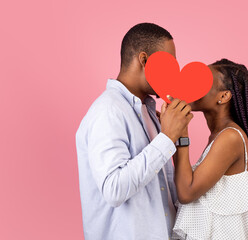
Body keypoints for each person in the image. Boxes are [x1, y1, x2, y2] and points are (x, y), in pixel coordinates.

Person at [76, 23, 193, 240]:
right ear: (144, 60)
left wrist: (177, 136)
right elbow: (114, 189)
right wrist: (166, 138)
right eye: (169, 65)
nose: (173, 76)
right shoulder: (108, 111)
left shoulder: (148, 112)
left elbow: (164, 192)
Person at [170, 59, 248, 239]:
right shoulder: (219, 136)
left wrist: (182, 134)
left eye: (203, 81)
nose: (192, 84)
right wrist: (174, 133)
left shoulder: (230, 138)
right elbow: (185, 180)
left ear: (223, 97)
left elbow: (186, 192)